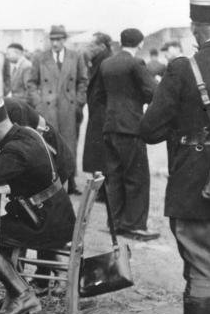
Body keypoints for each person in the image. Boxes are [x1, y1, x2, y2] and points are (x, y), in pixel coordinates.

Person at [144, 0, 210, 314]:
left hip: (198, 183)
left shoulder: (184, 68)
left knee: (200, 266)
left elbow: (150, 130)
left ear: (196, 28)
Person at [0, 97, 75, 314]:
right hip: (50, 214)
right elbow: (0, 169)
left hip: (45, 224)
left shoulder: (16, 149)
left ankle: (23, 295)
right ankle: (16, 291)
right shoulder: (26, 134)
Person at [92, 28, 158, 240]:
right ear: (140, 43)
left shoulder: (107, 63)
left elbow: (99, 95)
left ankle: (115, 222)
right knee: (136, 177)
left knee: (115, 176)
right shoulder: (135, 63)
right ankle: (135, 225)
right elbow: (152, 91)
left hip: (110, 125)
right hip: (131, 127)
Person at [27, 24, 88, 195]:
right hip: (48, 108)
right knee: (50, 145)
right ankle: (52, 183)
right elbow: (32, 82)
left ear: (64, 40)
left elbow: (83, 81)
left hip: (68, 107)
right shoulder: (40, 57)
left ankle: (71, 182)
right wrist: (38, 102)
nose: (55, 43)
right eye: (52, 40)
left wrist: (78, 102)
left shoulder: (76, 56)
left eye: (58, 40)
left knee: (70, 143)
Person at [82, 32, 113, 181]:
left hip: (102, 112)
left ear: (101, 46)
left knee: (101, 149)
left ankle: (102, 184)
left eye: (92, 45)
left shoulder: (105, 61)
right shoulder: (99, 59)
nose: (89, 47)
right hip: (98, 110)